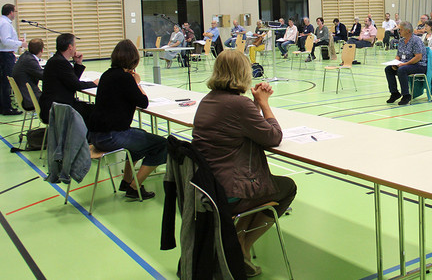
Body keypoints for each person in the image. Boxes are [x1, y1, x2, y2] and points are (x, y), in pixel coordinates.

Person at [192, 50, 297, 277]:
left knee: (263, 187)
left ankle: (236, 239)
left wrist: (254, 105)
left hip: (208, 186)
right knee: (286, 188)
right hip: (229, 191)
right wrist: (264, 104)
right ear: (243, 72)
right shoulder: (239, 105)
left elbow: (239, 124)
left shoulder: (207, 100)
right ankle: (242, 247)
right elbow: (273, 137)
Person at [87, 39, 166, 200]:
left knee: (140, 135)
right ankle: (134, 186)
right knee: (162, 145)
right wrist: (137, 82)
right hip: (111, 136)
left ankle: (126, 180)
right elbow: (143, 102)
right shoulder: (125, 78)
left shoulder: (107, 75)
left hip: (96, 135)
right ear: (133, 59)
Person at [39, 33, 98, 124]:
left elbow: (72, 80)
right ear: (70, 47)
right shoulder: (60, 62)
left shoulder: (57, 60)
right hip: (59, 108)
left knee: (90, 109)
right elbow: (76, 85)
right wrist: (94, 83)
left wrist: (78, 63)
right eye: (75, 45)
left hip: (56, 104)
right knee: (97, 111)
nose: (75, 48)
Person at [0, 4, 28, 115]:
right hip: (5, 55)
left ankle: (4, 106)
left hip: (0, 54)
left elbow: (4, 39)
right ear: (11, 12)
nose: (15, 14)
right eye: (15, 11)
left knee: (3, 81)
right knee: (7, 82)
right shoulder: (5, 24)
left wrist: (16, 40)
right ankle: (6, 108)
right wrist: (20, 43)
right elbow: (5, 41)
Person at [384, 21, 427, 106]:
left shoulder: (416, 40)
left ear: (407, 31)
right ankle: (394, 93)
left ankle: (406, 95)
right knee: (388, 69)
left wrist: (404, 64)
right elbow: (398, 55)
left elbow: (418, 57)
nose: (399, 31)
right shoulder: (401, 41)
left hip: (419, 65)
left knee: (402, 70)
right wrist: (395, 63)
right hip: (405, 64)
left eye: (401, 30)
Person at [12, 38, 44, 111]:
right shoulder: (30, 60)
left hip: (25, 96)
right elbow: (43, 76)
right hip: (31, 99)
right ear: (41, 50)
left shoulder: (25, 56)